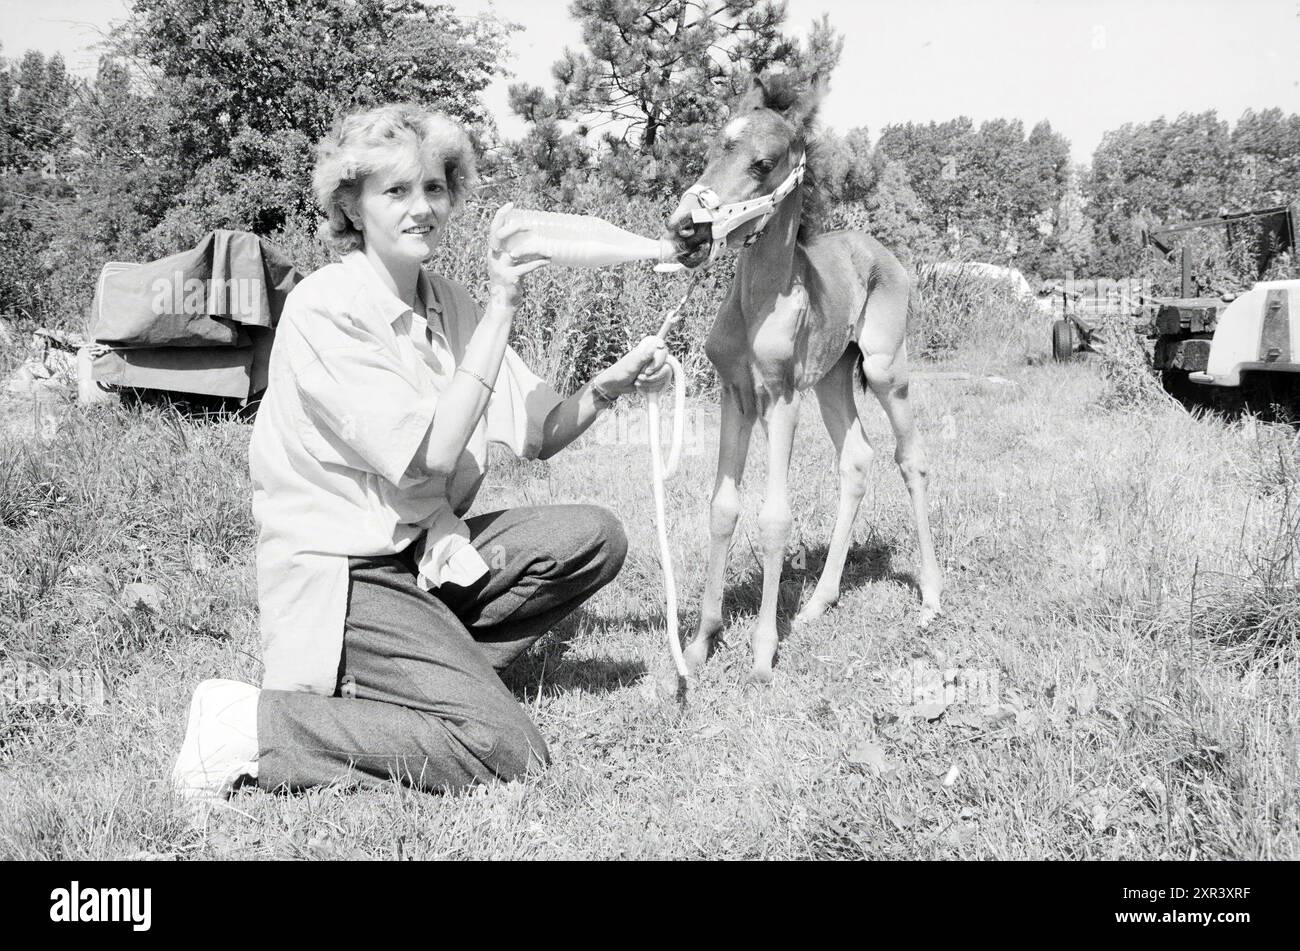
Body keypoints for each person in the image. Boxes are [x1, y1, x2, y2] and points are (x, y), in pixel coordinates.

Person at [172, 103, 671, 804]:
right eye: (396, 191)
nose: (422, 208)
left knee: (591, 538)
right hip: (350, 572)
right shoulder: (327, 308)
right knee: (505, 750)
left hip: (429, 553)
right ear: (350, 204)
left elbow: (541, 430)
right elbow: (428, 459)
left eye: (435, 188)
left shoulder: (451, 301)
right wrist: (503, 304)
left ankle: (436, 674)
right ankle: (250, 723)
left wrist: (607, 388)